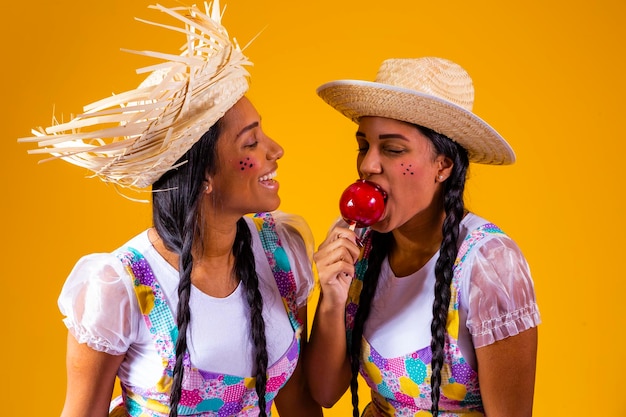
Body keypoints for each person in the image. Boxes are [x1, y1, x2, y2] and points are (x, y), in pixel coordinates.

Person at [19, 3, 322, 417]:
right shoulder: (119, 290)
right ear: (203, 178)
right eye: (251, 143)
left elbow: (298, 401)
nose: (275, 150)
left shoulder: (281, 252)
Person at [305, 57, 541, 417]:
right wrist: (332, 299)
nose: (368, 165)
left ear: (443, 165)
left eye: (393, 149)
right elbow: (325, 392)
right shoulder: (360, 245)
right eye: (363, 145)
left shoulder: (490, 264)